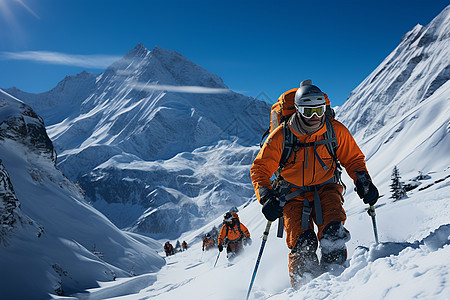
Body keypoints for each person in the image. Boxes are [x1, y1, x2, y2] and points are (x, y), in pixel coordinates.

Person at [250, 80, 379, 288]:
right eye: (308, 111)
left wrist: (364, 182)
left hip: (327, 188)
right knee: (303, 244)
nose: (314, 117)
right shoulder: (282, 135)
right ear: (298, 110)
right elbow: (260, 168)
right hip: (291, 194)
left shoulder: (335, 130)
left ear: (325, 109)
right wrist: (266, 196)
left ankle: (337, 286)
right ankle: (305, 289)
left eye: (319, 110)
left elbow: (353, 159)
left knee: (333, 233)